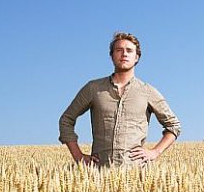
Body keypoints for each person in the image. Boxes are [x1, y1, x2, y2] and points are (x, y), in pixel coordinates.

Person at [59, 32, 181, 167]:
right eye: (119, 50)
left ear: (137, 57)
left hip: (136, 173)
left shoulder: (148, 91)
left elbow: (173, 126)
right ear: (111, 55)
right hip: (99, 173)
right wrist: (78, 156)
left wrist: (155, 152)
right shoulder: (93, 88)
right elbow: (66, 120)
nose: (124, 54)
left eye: (129, 50)